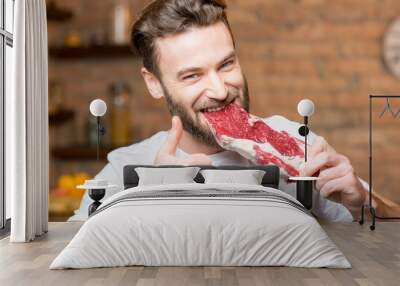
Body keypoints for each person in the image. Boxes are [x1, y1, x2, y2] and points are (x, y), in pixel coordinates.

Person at [69, 0, 369, 222]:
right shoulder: (125, 170)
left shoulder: (298, 144)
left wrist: (361, 205)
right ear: (154, 83)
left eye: (226, 64)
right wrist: (152, 199)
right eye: (192, 76)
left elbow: (380, 236)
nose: (220, 90)